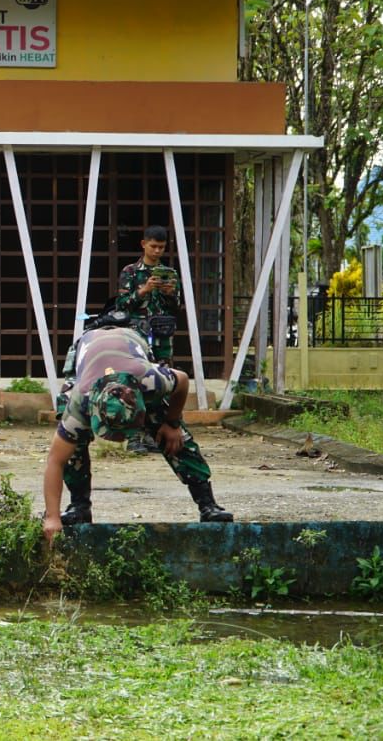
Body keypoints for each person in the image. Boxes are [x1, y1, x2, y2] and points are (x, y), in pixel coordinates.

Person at [42, 324, 232, 545]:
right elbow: (55, 461)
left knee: (176, 436)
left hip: (131, 344)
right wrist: (52, 517)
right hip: (88, 349)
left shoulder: (151, 380)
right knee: (73, 446)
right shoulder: (81, 401)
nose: (121, 441)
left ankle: (207, 504)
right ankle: (79, 506)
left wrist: (172, 422)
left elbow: (181, 381)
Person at [115, 225, 182, 364]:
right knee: (137, 371)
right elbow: (121, 306)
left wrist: (169, 294)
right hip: (137, 332)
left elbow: (176, 309)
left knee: (163, 374)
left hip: (163, 333)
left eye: (161, 247)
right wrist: (144, 290)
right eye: (153, 246)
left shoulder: (170, 274)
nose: (157, 251)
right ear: (143, 244)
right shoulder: (130, 272)